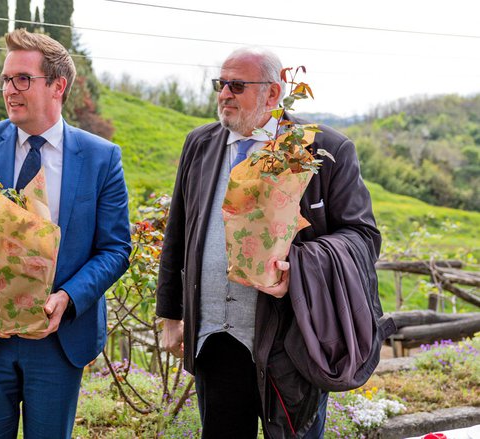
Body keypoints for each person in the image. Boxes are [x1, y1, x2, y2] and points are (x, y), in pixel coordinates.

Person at [156, 47, 381, 438]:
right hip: (215, 339)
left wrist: (300, 268)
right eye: (220, 84)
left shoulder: (323, 148)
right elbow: (178, 232)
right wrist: (171, 314)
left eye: (237, 86)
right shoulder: (199, 144)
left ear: (274, 94)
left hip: (291, 341)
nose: (224, 93)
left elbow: (363, 237)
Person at [0, 29, 132, 439]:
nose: (10, 89)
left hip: (59, 339)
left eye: (22, 79)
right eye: (5, 80)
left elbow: (115, 249)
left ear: (58, 86)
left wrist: (68, 298)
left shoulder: (102, 157)